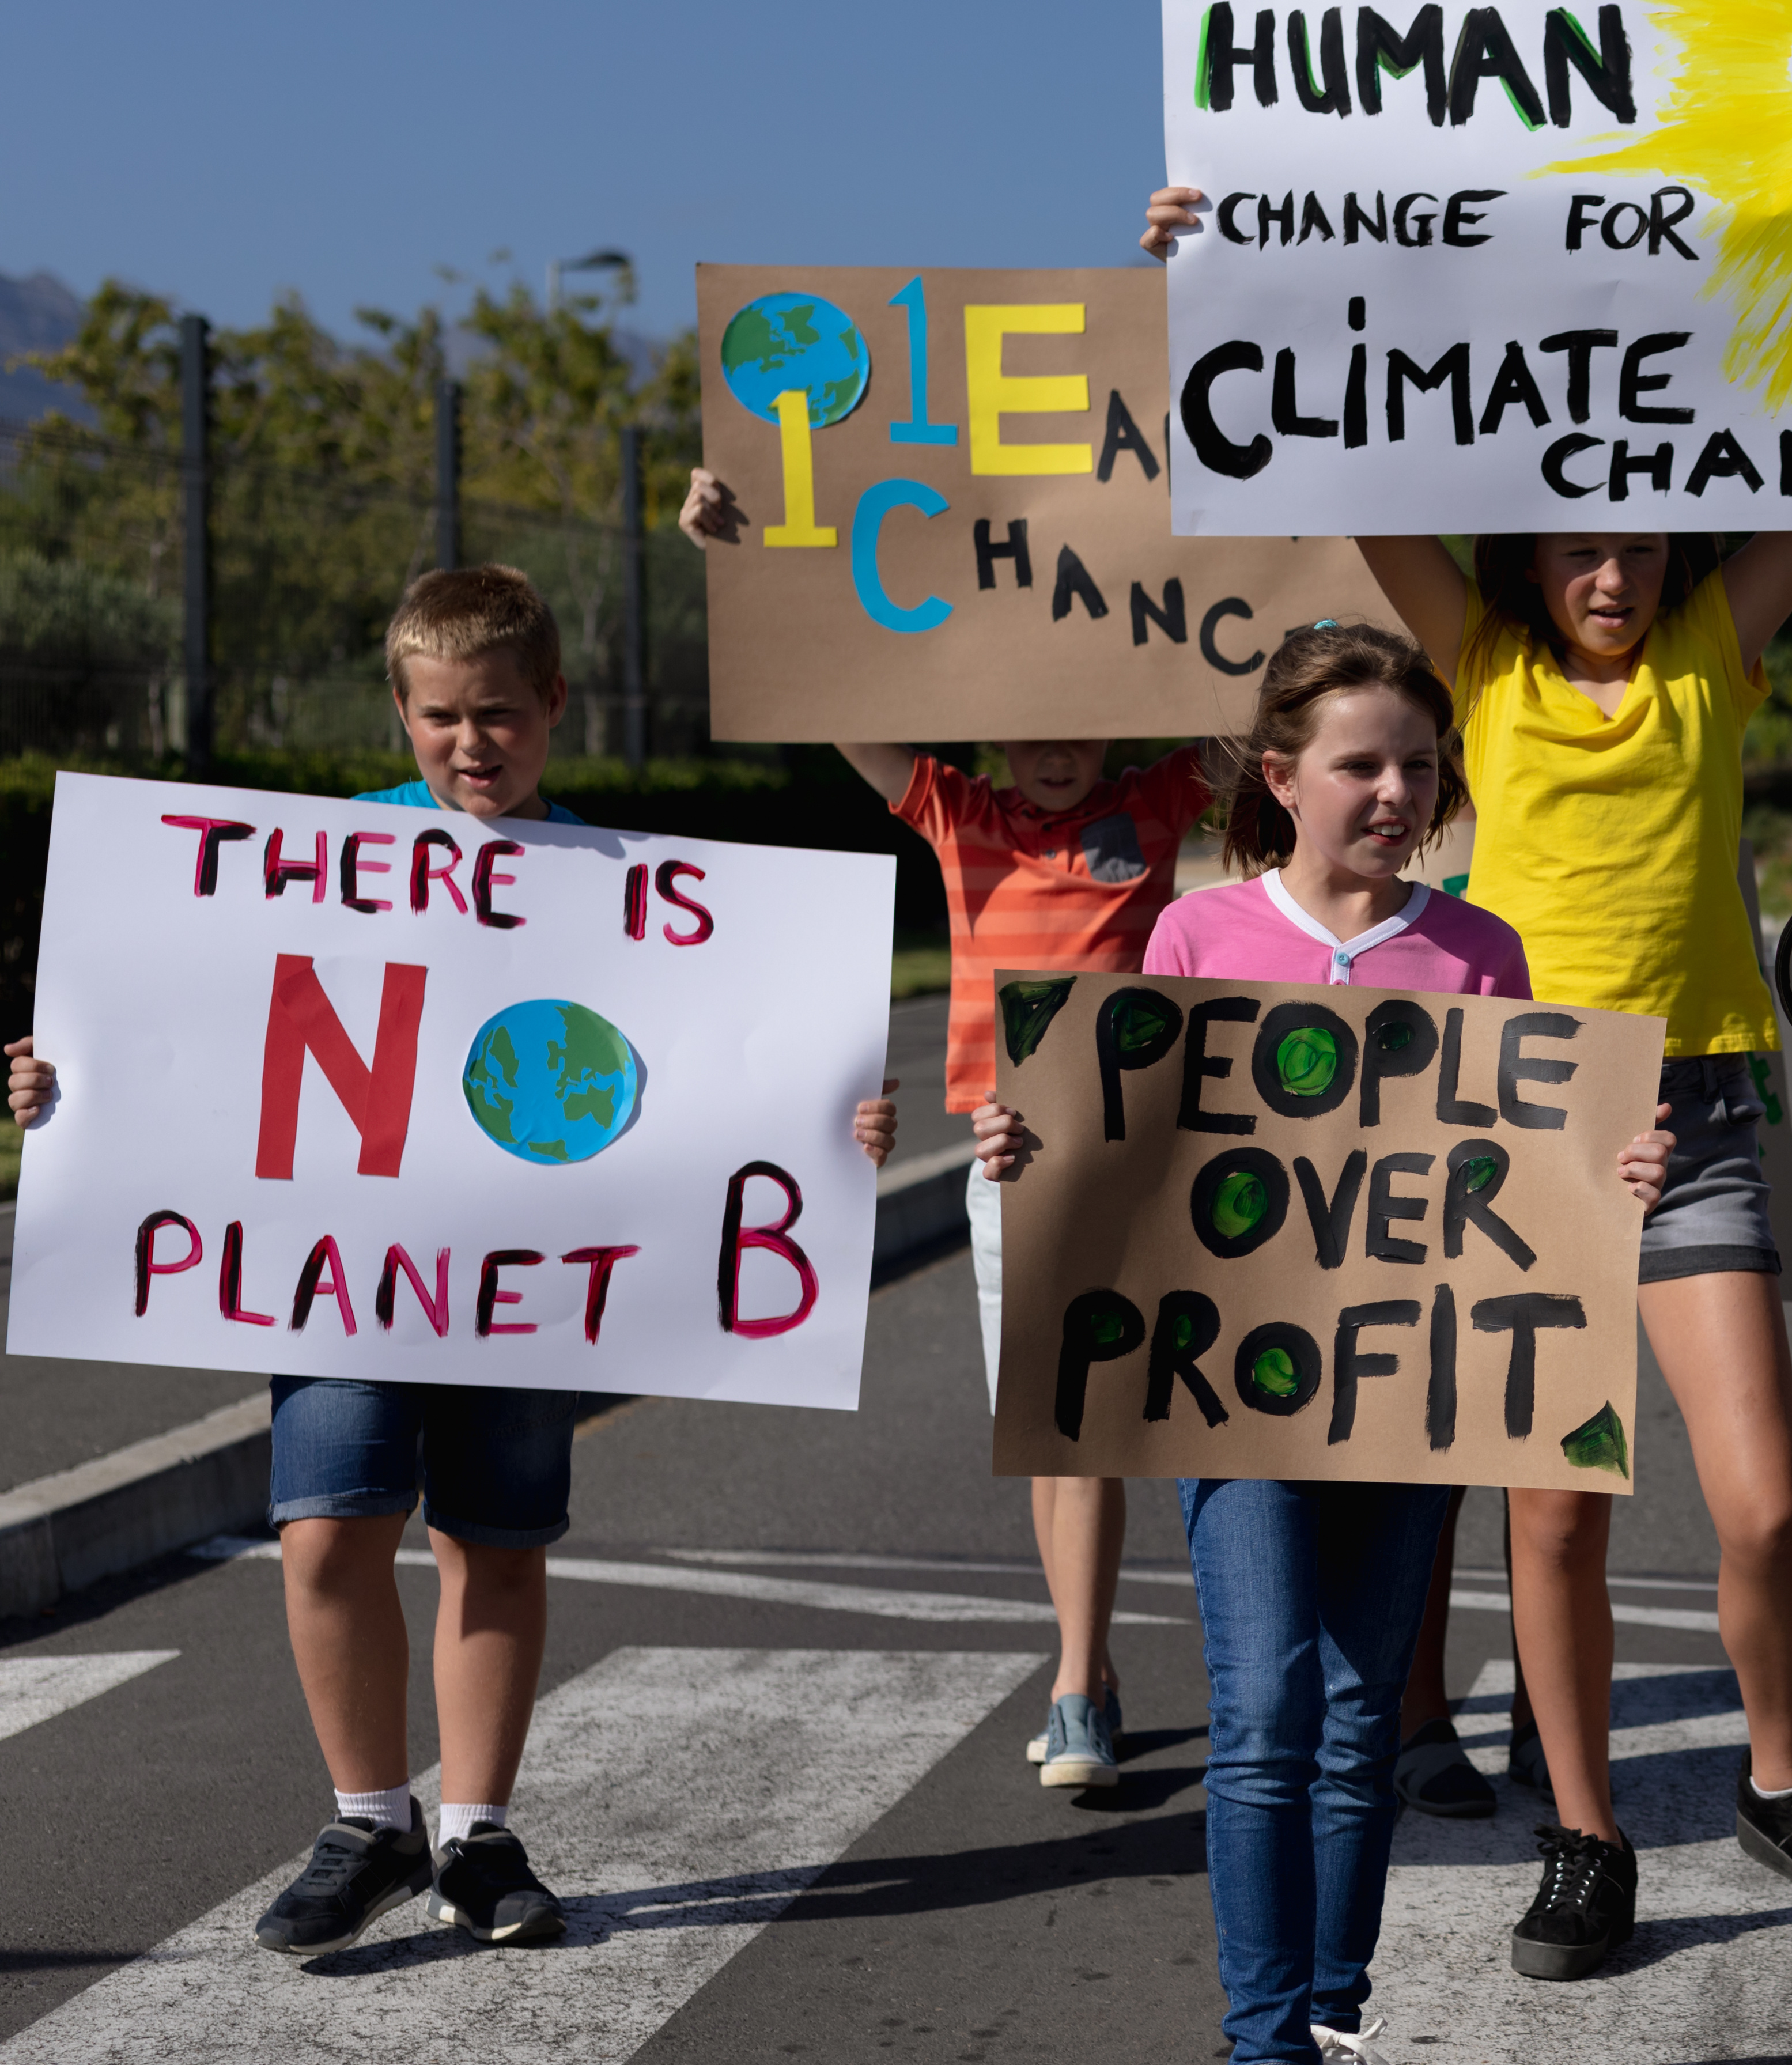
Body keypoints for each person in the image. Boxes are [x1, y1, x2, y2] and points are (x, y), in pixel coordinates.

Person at [1135, 160, 1792, 1980]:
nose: (1610, 568)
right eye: (1576, 541)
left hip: (1694, 1106)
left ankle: (1781, 1783)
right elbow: (1348, 445)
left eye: (1635, 538)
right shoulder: (1470, 659)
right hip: (1511, 1112)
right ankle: (1590, 1829)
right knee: (1552, 1509)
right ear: (1526, 555)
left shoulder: (1715, 646)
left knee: (1769, 1501)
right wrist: (1216, 270)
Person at [5, 565, 901, 1958]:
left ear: (554, 703)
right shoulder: (323, 855)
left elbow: (720, 1068)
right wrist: (69, 1085)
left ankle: (478, 1834)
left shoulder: (624, 887)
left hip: (527, 1288)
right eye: (439, 718)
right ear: (401, 715)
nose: (471, 742)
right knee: (324, 1531)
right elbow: (188, 1021)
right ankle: (370, 1818)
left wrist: (832, 1121)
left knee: (496, 1541)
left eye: (498, 712)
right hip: (346, 1272)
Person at [973, 621, 1676, 2062]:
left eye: (1420, 764)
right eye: (1361, 763)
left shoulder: (1481, 950)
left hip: (1406, 1396)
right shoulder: (1196, 935)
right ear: (1282, 776)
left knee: (1363, 1717)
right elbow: (1129, 1150)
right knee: (1267, 1703)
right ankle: (1262, 2040)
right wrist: (1027, 1140)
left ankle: (1333, 2003)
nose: (1396, 792)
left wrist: (1615, 1174)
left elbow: (1519, 1176)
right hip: (1232, 1396)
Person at [677, 469, 1177, 1794]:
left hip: (1142, 1152)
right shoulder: (959, 815)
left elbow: (1275, 668)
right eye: (1027, 716)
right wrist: (748, 562)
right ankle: (1083, 1670)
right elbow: (833, 697)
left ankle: (1089, 1672)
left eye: (1082, 712)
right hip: (1011, 1154)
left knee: (1105, 1422)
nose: (1056, 741)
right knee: (1046, 1421)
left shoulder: (1171, 800)